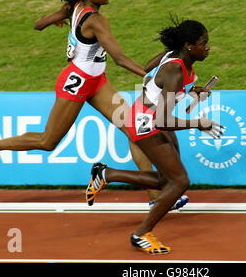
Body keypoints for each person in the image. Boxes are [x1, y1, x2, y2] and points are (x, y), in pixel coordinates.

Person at [0, 0, 189, 210]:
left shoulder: (73, 6)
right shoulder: (96, 20)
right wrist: (151, 78)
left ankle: (156, 196)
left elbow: (38, 24)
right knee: (47, 141)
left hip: (97, 82)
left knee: (135, 131)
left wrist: (59, 18)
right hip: (76, 83)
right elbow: (120, 58)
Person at [85, 18, 225, 254]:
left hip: (146, 116)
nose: (208, 47)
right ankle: (141, 234)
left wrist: (189, 91)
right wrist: (198, 123)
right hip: (147, 123)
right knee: (179, 182)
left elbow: (149, 71)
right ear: (189, 46)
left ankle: (105, 173)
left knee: (169, 180)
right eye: (204, 43)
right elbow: (162, 120)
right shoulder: (175, 69)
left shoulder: (173, 56)